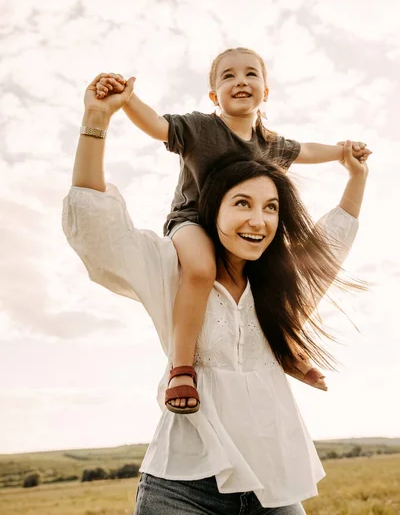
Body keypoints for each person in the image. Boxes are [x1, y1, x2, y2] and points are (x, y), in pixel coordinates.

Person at [62, 73, 368, 514]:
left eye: (271, 207)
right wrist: (96, 121)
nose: (258, 220)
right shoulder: (173, 268)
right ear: (214, 208)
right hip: (181, 489)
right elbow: (97, 224)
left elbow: (332, 241)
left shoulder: (282, 287)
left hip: (273, 489)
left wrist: (355, 175)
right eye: (242, 203)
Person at [93, 47, 370, 413]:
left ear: (266, 91)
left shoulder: (268, 143)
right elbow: (158, 125)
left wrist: (342, 152)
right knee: (202, 269)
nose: (240, 80)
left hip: (244, 232)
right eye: (228, 76)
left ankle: (285, 349)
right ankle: (181, 368)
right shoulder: (200, 128)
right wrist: (127, 101)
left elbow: (306, 150)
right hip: (193, 220)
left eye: (251, 74)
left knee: (282, 274)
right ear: (214, 96)